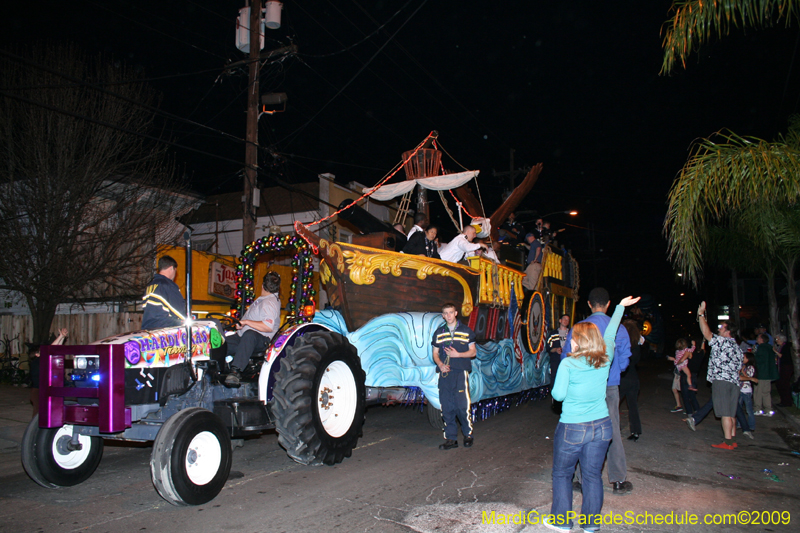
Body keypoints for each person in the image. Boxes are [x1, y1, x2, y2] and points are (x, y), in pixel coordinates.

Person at [546, 296, 640, 532]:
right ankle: (590, 525)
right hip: (601, 426)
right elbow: (610, 334)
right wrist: (619, 307)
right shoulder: (605, 359)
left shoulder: (569, 364)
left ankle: (562, 521)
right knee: (592, 476)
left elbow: (557, 395)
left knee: (562, 474)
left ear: (576, 341)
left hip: (572, 427)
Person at [562, 287, 633, 495]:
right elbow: (625, 357)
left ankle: (580, 479)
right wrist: (614, 372)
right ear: (608, 304)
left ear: (589, 304)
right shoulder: (617, 327)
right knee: (612, 430)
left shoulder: (579, 327)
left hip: (583, 386)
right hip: (610, 386)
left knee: (583, 429)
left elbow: (568, 355)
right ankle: (618, 480)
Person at [696, 301, 743, 450]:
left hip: (722, 381)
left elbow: (706, 333)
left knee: (724, 413)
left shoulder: (722, 342)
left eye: (722, 328)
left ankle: (727, 442)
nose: (719, 329)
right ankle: (733, 440)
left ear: (728, 331)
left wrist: (701, 315)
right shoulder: (737, 347)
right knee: (731, 413)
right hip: (734, 382)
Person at [224, 271, 282, 387]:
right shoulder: (262, 300)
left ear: (262, 285)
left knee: (250, 335)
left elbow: (267, 326)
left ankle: (236, 372)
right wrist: (242, 325)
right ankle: (213, 367)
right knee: (221, 342)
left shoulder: (269, 303)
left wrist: (246, 322)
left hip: (261, 340)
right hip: (242, 337)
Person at [432, 302, 477, 450]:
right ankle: (451, 438)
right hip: (445, 374)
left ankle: (467, 435)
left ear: (456, 313)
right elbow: (435, 353)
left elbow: (473, 352)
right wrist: (440, 364)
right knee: (446, 406)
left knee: (462, 406)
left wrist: (458, 355)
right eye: (445, 313)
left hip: (460, 372)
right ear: (443, 315)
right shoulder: (439, 332)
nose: (448, 315)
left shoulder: (466, 331)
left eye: (451, 312)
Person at [29, 328, 68, 418]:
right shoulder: (36, 362)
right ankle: (35, 431)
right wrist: (60, 336)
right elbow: (49, 350)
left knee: (49, 413)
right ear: (37, 354)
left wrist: (62, 338)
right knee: (38, 415)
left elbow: (55, 350)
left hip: (46, 389)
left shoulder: (43, 361)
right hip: (38, 391)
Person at [142, 255, 186, 330]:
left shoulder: (151, 285)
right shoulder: (167, 285)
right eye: (175, 271)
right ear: (172, 268)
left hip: (148, 329)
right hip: (164, 330)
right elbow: (179, 311)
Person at [620, 320, 643, 441]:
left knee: (613, 405)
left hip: (623, 378)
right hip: (634, 378)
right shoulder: (637, 345)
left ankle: (612, 430)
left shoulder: (624, 344)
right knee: (633, 406)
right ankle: (636, 431)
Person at [547, 314, 571, 413]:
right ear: (560, 320)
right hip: (556, 361)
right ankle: (555, 402)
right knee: (555, 379)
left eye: (568, 320)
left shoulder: (571, 333)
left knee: (568, 380)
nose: (566, 321)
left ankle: (567, 402)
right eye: (564, 319)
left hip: (569, 361)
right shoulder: (553, 334)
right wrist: (555, 349)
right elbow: (548, 348)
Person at [753, 333, 778, 416]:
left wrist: (754, 355)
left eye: (758, 338)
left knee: (758, 392)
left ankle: (757, 409)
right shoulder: (770, 347)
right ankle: (768, 409)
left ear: (761, 339)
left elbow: (759, 360)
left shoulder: (761, 348)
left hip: (761, 373)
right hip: (768, 374)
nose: (757, 339)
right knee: (766, 392)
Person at [736, 351, 757, 439]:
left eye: (744, 357)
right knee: (738, 408)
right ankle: (739, 424)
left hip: (747, 390)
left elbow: (748, 377)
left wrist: (743, 372)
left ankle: (751, 426)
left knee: (749, 409)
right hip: (740, 389)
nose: (742, 358)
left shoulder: (751, 367)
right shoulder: (741, 366)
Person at [775, 333, 794, 407]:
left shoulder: (786, 347)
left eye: (778, 339)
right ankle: (784, 401)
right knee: (780, 384)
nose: (776, 340)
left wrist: (775, 351)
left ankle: (787, 402)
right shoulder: (781, 346)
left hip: (786, 368)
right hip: (782, 367)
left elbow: (783, 356)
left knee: (784, 385)